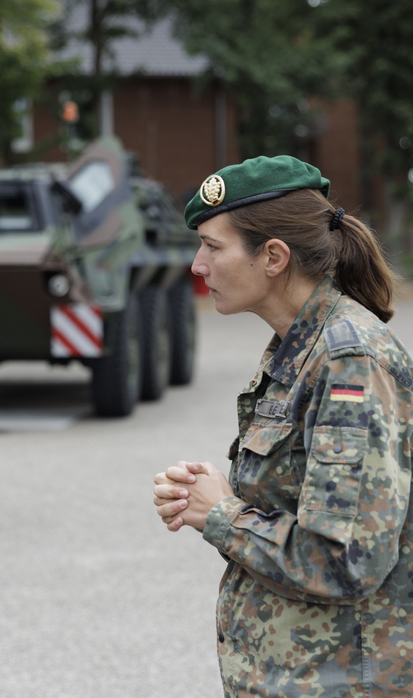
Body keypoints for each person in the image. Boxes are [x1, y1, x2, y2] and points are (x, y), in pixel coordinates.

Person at [152, 155, 413, 697]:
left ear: (273, 256)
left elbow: (346, 560)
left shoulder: (347, 360)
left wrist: (221, 515)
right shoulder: (299, 347)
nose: (198, 265)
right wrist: (215, 496)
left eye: (213, 246)